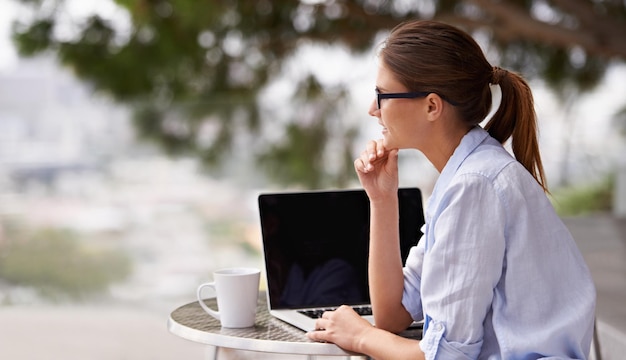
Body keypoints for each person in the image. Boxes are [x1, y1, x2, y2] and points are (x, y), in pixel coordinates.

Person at [306, 20, 596, 359]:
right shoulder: (467, 175)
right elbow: (392, 314)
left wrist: (359, 336)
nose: (373, 109)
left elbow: (447, 356)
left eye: (382, 95)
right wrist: (382, 199)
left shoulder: (475, 185)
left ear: (431, 106)